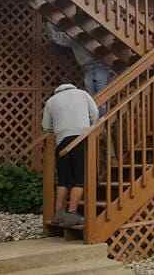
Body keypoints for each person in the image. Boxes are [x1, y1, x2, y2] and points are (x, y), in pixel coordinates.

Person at [42, 83, 99, 226]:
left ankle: (58, 214)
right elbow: (95, 113)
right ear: (72, 87)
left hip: (62, 141)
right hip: (80, 138)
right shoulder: (82, 94)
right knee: (79, 178)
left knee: (63, 179)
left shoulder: (51, 101)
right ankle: (72, 213)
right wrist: (91, 127)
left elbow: (46, 126)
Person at [45, 22, 113, 112]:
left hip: (100, 66)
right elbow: (57, 38)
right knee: (94, 99)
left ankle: (101, 123)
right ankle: (97, 122)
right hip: (88, 69)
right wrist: (49, 24)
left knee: (101, 99)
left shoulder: (94, 32)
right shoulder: (75, 36)